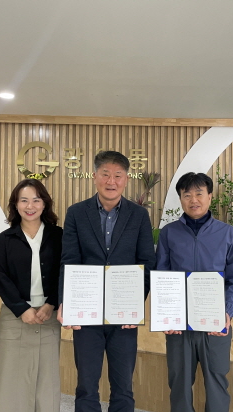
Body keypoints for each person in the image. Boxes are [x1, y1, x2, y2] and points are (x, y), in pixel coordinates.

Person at [58, 150, 156, 412]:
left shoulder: (139, 215)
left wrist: (135, 304)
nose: (111, 181)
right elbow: (69, 260)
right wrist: (66, 302)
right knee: (86, 385)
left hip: (124, 313)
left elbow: (147, 262)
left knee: (123, 387)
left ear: (126, 179)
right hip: (86, 311)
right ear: (94, 176)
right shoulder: (77, 213)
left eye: (118, 175)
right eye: (105, 174)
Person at [156, 172, 233, 412]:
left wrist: (227, 312)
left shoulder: (228, 233)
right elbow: (162, 275)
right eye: (187, 195)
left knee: (217, 379)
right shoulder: (169, 233)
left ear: (210, 196)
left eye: (199, 193)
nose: (193, 200)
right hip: (179, 324)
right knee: (179, 382)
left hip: (215, 321)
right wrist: (166, 314)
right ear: (180, 199)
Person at [0, 178, 63, 412]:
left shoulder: (59, 236)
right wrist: (21, 308)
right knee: (10, 381)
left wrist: (51, 303)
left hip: (48, 316)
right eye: (24, 200)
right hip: (15, 317)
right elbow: (0, 276)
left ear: (45, 204)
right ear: (15, 204)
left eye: (36, 200)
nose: (30, 206)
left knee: (46, 382)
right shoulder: (5, 239)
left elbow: (65, 271)